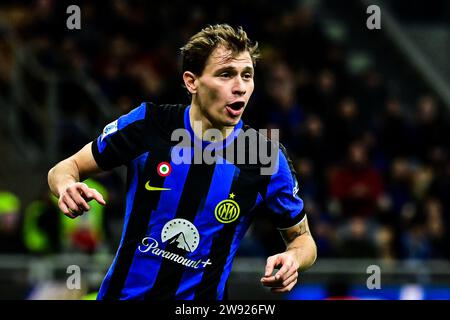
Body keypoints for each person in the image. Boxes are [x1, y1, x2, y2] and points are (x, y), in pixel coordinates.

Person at [48, 24, 317, 300]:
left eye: (246, 75)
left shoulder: (265, 156)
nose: (240, 88)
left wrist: (294, 259)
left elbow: (303, 239)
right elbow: (66, 168)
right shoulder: (149, 124)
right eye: (226, 75)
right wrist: (67, 185)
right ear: (192, 82)